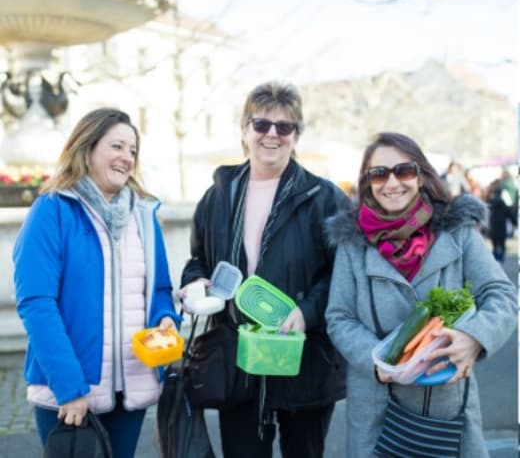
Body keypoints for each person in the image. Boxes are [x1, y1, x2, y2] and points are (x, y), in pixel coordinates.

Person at [180, 81, 349, 458]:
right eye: (261, 124)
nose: (271, 134)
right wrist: (194, 285)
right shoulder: (219, 195)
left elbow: (343, 274)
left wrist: (307, 312)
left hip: (303, 360)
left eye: (284, 127)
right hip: (238, 358)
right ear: (245, 131)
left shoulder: (324, 198)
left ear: (296, 136)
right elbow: (198, 260)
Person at [325, 132, 517, 457]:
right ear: (367, 182)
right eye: (379, 173)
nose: (392, 182)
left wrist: (474, 338)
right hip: (377, 410)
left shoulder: (457, 232)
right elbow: (339, 317)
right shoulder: (352, 244)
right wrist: (377, 359)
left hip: (446, 408)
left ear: (421, 175)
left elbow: (502, 295)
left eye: (403, 170)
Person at [13, 108, 181, 457]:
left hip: (131, 386)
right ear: (87, 149)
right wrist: (70, 388)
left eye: (133, 150)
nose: (127, 158)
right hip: (71, 391)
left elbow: (160, 290)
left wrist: (166, 318)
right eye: (116, 146)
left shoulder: (144, 217)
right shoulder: (52, 210)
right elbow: (36, 303)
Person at [486, 178, 516, 262]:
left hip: (493, 226)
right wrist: (515, 223)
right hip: (502, 227)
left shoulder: (490, 203)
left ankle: (495, 257)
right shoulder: (503, 204)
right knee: (502, 243)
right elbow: (509, 214)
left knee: (495, 243)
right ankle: (501, 257)